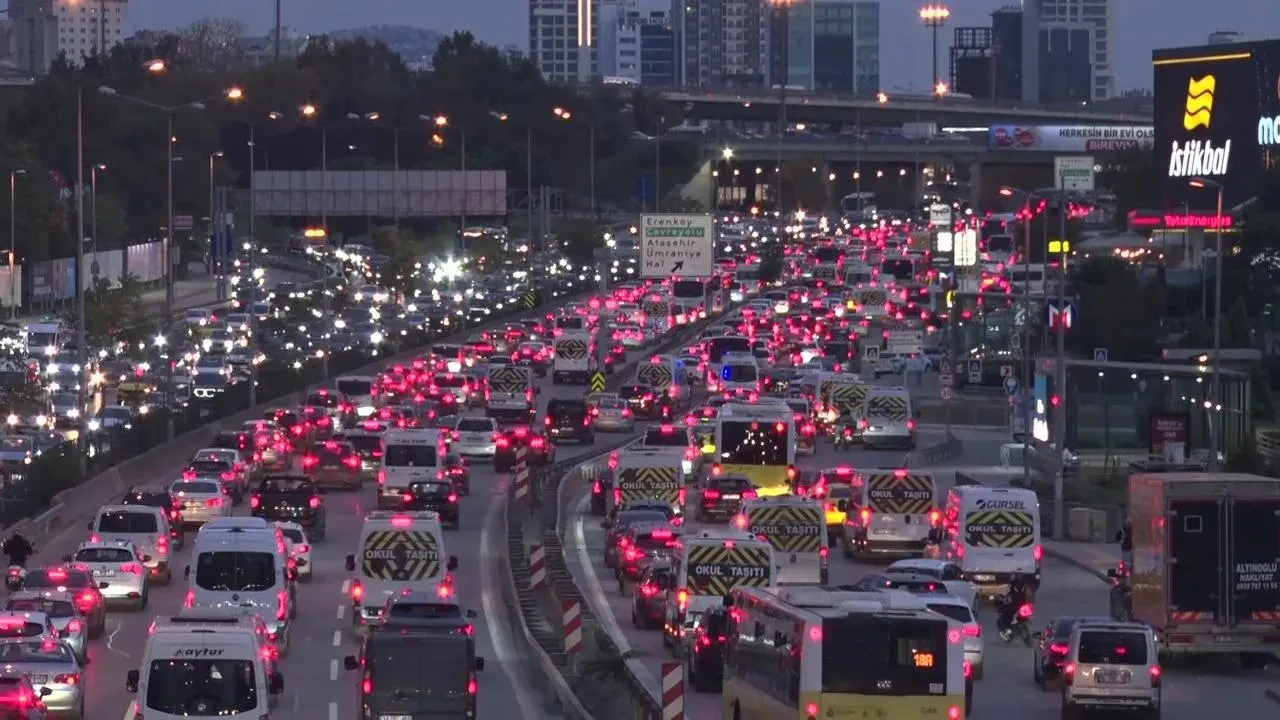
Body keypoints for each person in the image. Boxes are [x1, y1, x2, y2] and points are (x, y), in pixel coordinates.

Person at [998, 573, 1033, 637]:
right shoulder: (1024, 584)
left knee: (1004, 614)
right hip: (1023, 605)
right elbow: (1030, 594)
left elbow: (1005, 593)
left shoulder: (1011, 585)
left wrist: (1001, 597)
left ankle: (1007, 629)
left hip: (1015, 606)